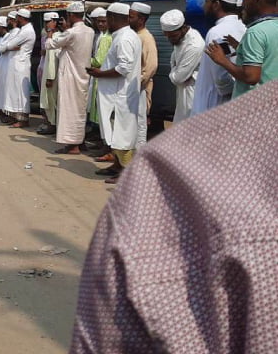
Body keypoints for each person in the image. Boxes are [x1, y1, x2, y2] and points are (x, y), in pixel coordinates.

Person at [70, 79, 278, 354]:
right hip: (184, 101)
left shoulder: (166, 176)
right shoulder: (167, 175)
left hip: (184, 98)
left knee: (128, 127)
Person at [87, 3, 143, 184]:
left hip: (121, 95)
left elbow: (124, 68)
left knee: (122, 134)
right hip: (116, 94)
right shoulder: (121, 36)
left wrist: (99, 74)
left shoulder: (125, 38)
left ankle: (126, 172)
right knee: (115, 132)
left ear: (112, 18)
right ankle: (118, 166)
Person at [206, 0, 278, 100]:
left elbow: (251, 76)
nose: (243, 4)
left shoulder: (255, 32)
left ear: (256, 0)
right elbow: (269, 57)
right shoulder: (272, 26)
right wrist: (240, 47)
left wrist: (222, 60)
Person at [191, 0, 246, 116]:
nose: (204, 5)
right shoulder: (243, 28)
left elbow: (222, 78)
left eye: (207, 1)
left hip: (214, 106)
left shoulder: (217, 32)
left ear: (216, 5)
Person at [47, 2, 95, 154]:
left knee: (69, 109)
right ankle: (79, 142)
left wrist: (50, 31)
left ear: (71, 15)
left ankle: (72, 144)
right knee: (79, 110)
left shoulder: (71, 33)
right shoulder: (90, 31)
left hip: (70, 76)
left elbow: (50, 44)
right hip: (83, 75)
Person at [160, 10, 204, 123]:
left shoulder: (194, 45)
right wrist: (176, 70)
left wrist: (174, 70)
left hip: (192, 92)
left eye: (173, 36)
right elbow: (174, 62)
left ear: (183, 28)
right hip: (183, 90)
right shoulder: (179, 39)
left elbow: (178, 79)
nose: (170, 39)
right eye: (167, 36)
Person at [128, 2, 157, 145]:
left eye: (131, 17)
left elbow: (151, 66)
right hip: (131, 89)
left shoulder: (146, 38)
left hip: (140, 89)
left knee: (139, 125)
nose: (128, 19)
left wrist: (136, 83)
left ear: (141, 19)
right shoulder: (134, 35)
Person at [1, 9, 36, 128]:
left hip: (21, 65)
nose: (16, 20)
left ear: (22, 18)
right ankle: (15, 116)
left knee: (20, 92)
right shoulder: (23, 30)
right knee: (14, 91)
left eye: (18, 17)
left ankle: (23, 119)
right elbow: (10, 45)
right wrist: (8, 46)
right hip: (16, 64)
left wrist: (7, 47)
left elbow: (10, 45)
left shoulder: (26, 31)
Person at [86, 7, 112, 159]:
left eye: (104, 21)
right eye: (99, 22)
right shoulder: (102, 36)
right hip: (98, 78)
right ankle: (103, 143)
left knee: (104, 115)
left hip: (102, 77)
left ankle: (107, 147)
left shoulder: (107, 38)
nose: (101, 24)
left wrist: (83, 58)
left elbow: (98, 61)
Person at [37, 12, 61, 135]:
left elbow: (52, 58)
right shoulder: (49, 36)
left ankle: (53, 125)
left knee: (52, 101)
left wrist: (50, 77)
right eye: (46, 22)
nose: (47, 25)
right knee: (49, 101)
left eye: (49, 22)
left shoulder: (56, 37)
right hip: (47, 71)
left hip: (52, 75)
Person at [0, 12, 17, 116]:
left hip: (8, 64)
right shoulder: (5, 36)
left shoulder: (11, 34)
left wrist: (5, 47)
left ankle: (4, 111)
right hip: (2, 63)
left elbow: (3, 48)